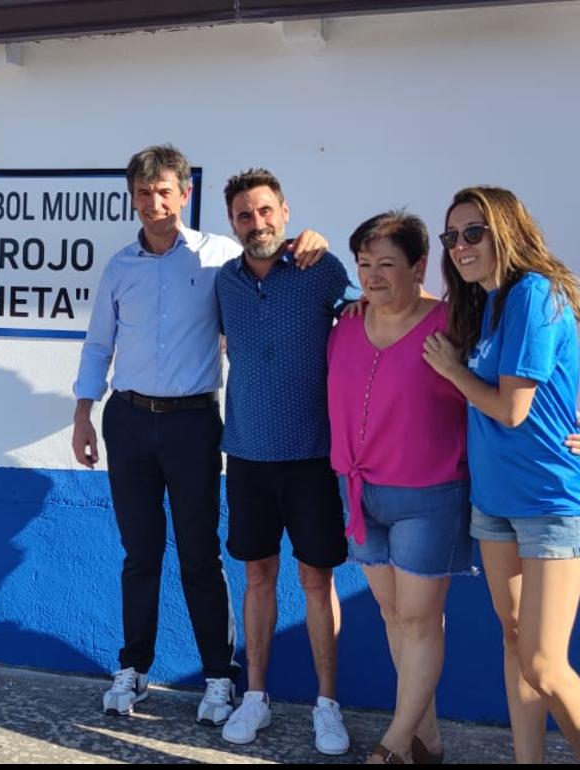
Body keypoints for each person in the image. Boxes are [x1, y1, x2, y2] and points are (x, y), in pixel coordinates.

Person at [71, 146, 328, 723]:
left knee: (199, 554)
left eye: (163, 191)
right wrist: (84, 414)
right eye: (142, 193)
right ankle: (133, 668)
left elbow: (271, 267)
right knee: (139, 553)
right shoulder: (120, 267)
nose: (152, 203)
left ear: (185, 194)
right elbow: (97, 345)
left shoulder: (222, 257)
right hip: (128, 422)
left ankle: (220, 677)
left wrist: (310, 242)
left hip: (193, 423)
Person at [423, 186, 580, 763]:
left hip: (549, 498)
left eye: (473, 233)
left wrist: (451, 371)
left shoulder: (535, 293)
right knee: (514, 640)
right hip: (494, 501)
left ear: (505, 231)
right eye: (452, 236)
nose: (460, 246)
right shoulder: (488, 302)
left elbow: (513, 409)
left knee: (543, 660)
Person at [213, 168, 351, 755]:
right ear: (233, 223)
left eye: (265, 210)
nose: (257, 223)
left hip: (313, 457)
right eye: (245, 214)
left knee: (317, 581)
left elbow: (365, 321)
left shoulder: (323, 271)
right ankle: (256, 698)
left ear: (285, 211)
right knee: (257, 577)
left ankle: (327, 705)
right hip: (245, 455)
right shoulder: (224, 282)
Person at [327, 211, 469, 763]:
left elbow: (515, 377)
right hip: (362, 494)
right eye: (365, 265)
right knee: (392, 616)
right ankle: (425, 738)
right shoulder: (345, 326)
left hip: (429, 495)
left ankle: (393, 743)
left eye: (387, 264)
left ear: (419, 266)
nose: (373, 276)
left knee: (419, 618)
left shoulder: (452, 322)